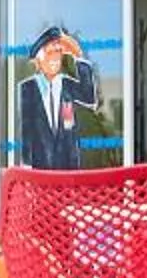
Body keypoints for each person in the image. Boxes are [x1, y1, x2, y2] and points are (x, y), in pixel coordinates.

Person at [14, 25, 100, 170]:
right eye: (50, 53)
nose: (55, 58)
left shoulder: (67, 85)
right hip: (41, 172)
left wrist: (77, 55)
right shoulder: (27, 89)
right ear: (38, 60)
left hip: (68, 171)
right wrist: (27, 168)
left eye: (58, 52)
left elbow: (89, 97)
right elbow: (26, 130)